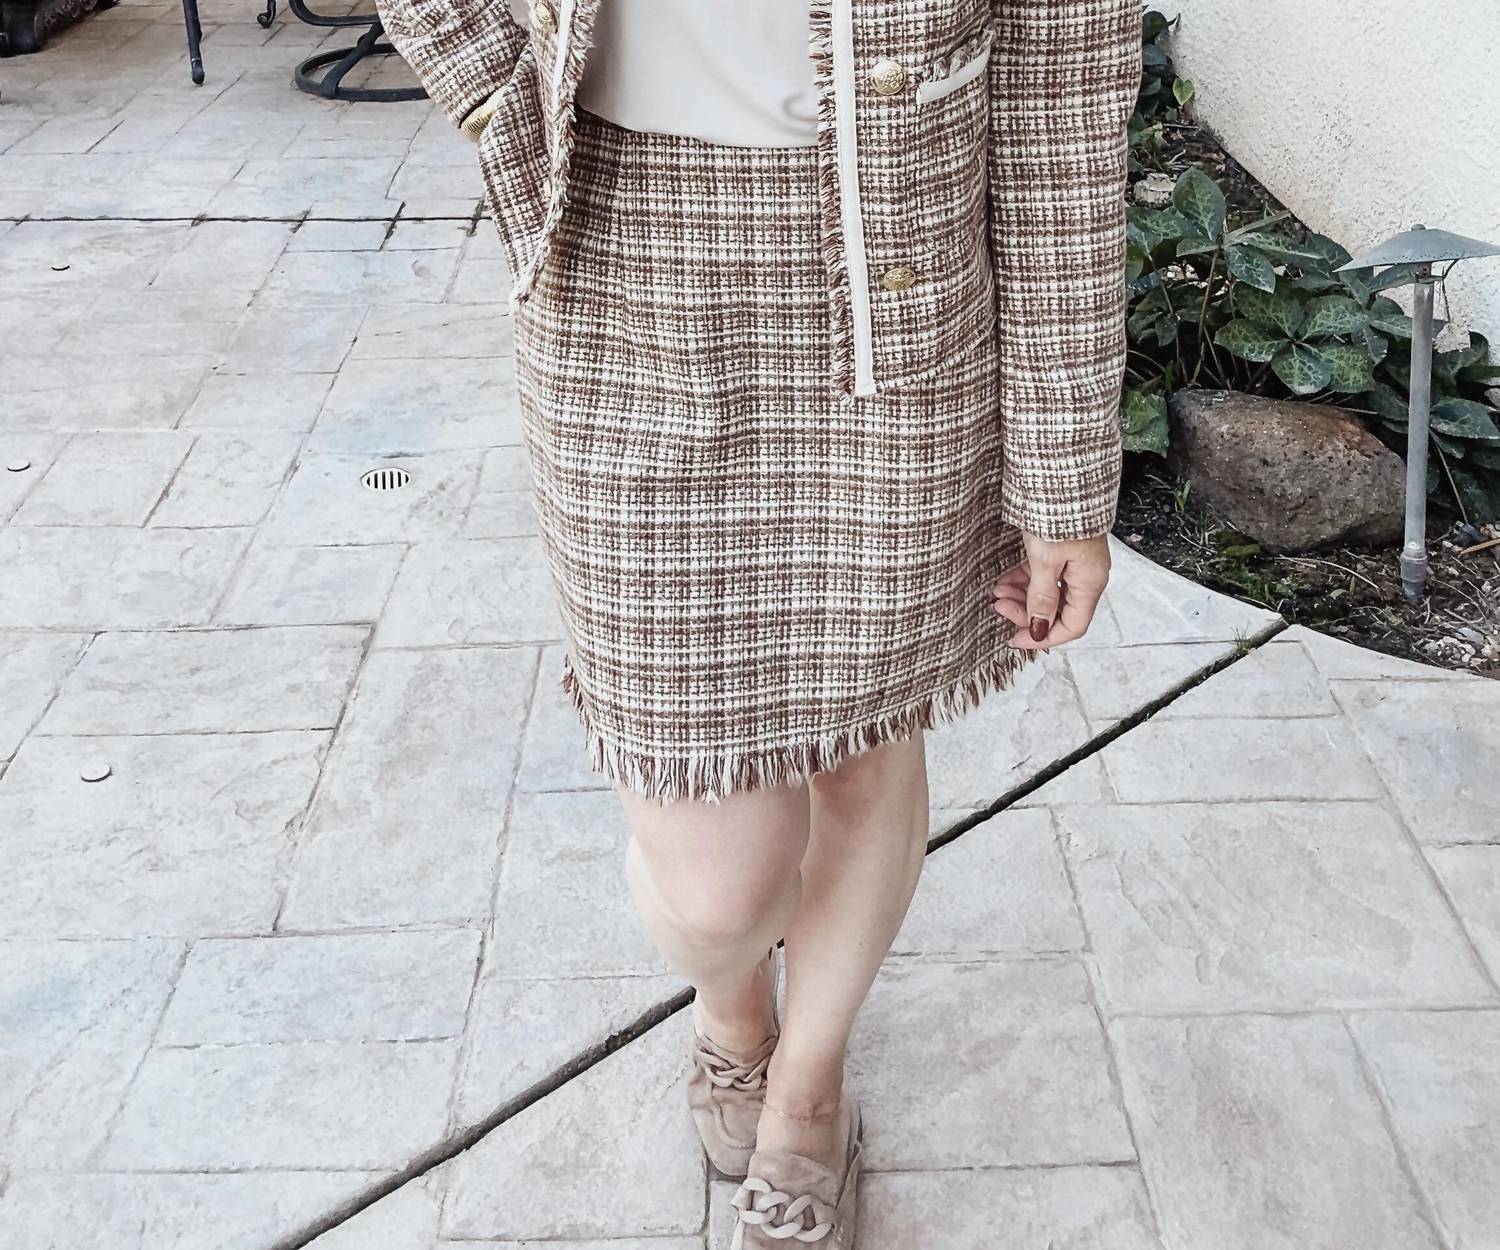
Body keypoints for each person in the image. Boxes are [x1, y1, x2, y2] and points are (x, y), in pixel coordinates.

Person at [372, 1, 1143, 1244]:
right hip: (625, 258)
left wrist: (1064, 471)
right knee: (715, 888)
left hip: (900, 283)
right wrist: (496, 91)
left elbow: (1061, 100)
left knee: (864, 744)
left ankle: (807, 1086)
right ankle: (731, 1003)